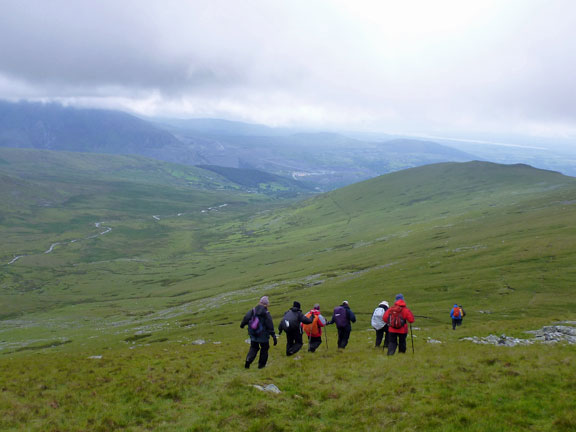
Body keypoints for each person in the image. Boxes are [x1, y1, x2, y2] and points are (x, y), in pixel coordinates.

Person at [240, 296, 277, 369]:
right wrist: (273, 336)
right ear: (266, 304)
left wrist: (242, 325)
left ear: (260, 302)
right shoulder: (266, 313)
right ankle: (261, 366)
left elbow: (246, 318)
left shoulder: (253, 310)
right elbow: (270, 325)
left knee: (254, 347)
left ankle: (248, 361)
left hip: (253, 334)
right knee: (264, 349)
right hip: (263, 335)